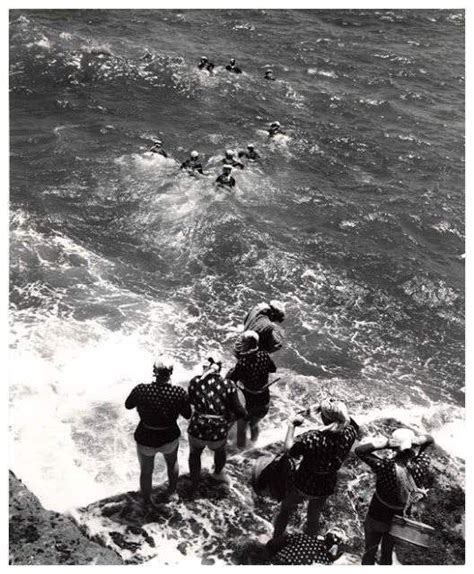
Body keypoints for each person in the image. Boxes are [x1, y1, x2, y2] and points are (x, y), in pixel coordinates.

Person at [269, 399, 359, 545]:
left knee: (285, 510)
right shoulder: (349, 434)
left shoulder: (314, 437)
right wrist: (330, 410)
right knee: (314, 514)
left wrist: (292, 426)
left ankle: (275, 541)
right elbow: (353, 424)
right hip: (326, 483)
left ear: (324, 418)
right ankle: (309, 545)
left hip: (303, 482)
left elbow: (289, 450)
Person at [355, 428, 435, 565]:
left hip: (377, 515)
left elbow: (360, 451)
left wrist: (386, 443)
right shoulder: (421, 465)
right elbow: (429, 439)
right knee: (387, 553)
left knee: (369, 552)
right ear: (413, 446)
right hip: (398, 520)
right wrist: (415, 441)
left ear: (393, 446)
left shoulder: (385, 466)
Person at [125, 356, 191, 505]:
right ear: (171, 372)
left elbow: (128, 405)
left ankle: (146, 500)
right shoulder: (179, 392)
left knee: (146, 471)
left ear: (154, 371)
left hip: (146, 436)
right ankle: (172, 492)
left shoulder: (141, 389)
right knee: (172, 463)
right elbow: (187, 414)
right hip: (169, 436)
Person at [188, 355, 247, 492]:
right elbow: (240, 412)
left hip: (197, 429)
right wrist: (227, 420)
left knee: (195, 454)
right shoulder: (228, 384)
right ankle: (217, 473)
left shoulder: (195, 381)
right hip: (218, 431)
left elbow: (190, 402)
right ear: (219, 369)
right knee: (220, 451)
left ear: (207, 368)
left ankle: (194, 482)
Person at [226, 330, 277, 448]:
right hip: (264, 400)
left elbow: (231, 381)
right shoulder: (265, 355)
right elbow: (273, 369)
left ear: (247, 344)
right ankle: (254, 447)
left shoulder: (243, 363)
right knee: (254, 425)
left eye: (242, 343)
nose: (240, 345)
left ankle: (240, 455)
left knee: (241, 431)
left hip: (248, 402)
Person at [269, 528, 347, 565]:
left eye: (339, 539)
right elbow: (275, 542)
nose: (335, 539)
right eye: (334, 536)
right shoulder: (306, 537)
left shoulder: (327, 559)